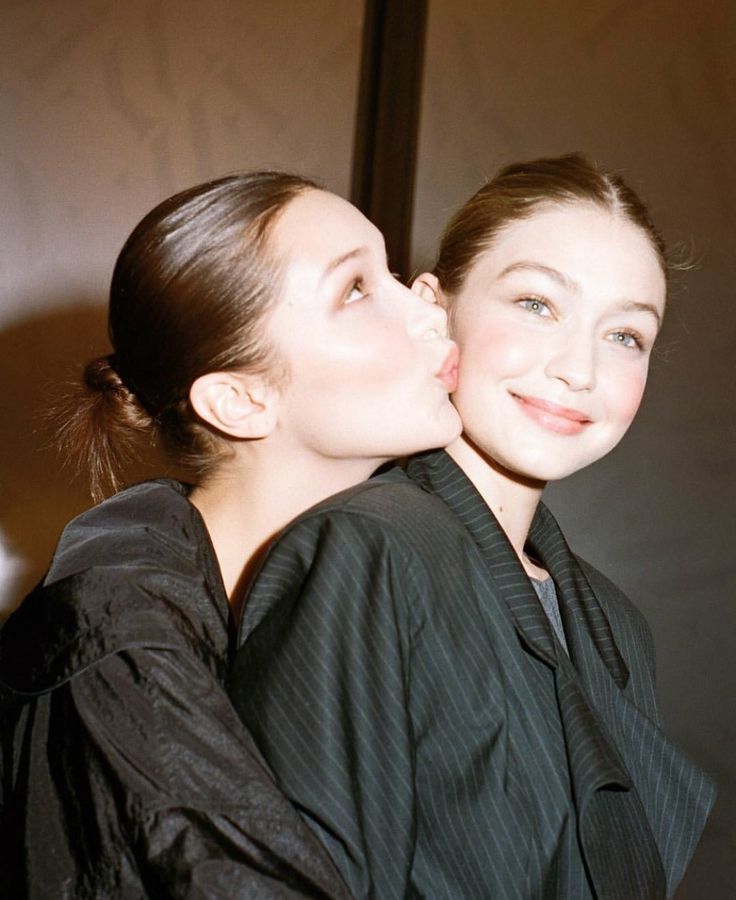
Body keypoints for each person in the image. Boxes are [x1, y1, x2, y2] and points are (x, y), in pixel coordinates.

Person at [231, 155, 716, 899]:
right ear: (436, 308)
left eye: (625, 336)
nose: (578, 370)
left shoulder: (614, 624)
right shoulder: (366, 551)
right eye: (537, 304)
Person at [0, 172, 462, 898]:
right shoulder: (121, 645)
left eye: (394, 271)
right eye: (357, 290)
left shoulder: (384, 563)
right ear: (241, 400)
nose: (431, 306)